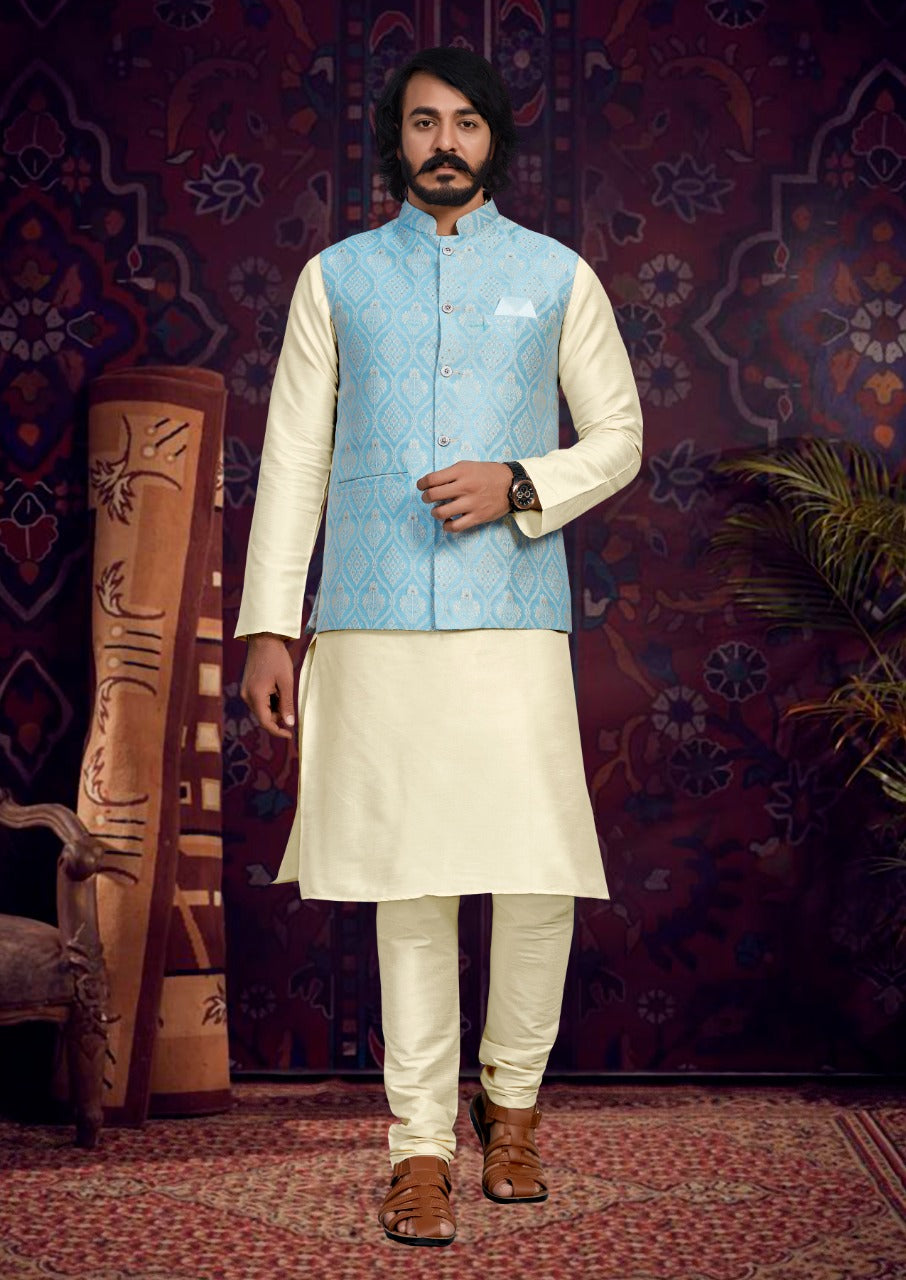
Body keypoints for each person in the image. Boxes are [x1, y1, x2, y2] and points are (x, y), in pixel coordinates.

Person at [236, 46, 643, 1247]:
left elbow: (619, 436)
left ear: (494, 139)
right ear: (396, 140)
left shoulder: (556, 276)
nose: (445, 142)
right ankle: (418, 1146)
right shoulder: (337, 279)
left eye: (466, 122)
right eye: (424, 123)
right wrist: (270, 626)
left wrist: (519, 478)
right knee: (407, 883)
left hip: (513, 617)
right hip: (369, 622)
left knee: (537, 870)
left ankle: (511, 1108)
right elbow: (293, 458)